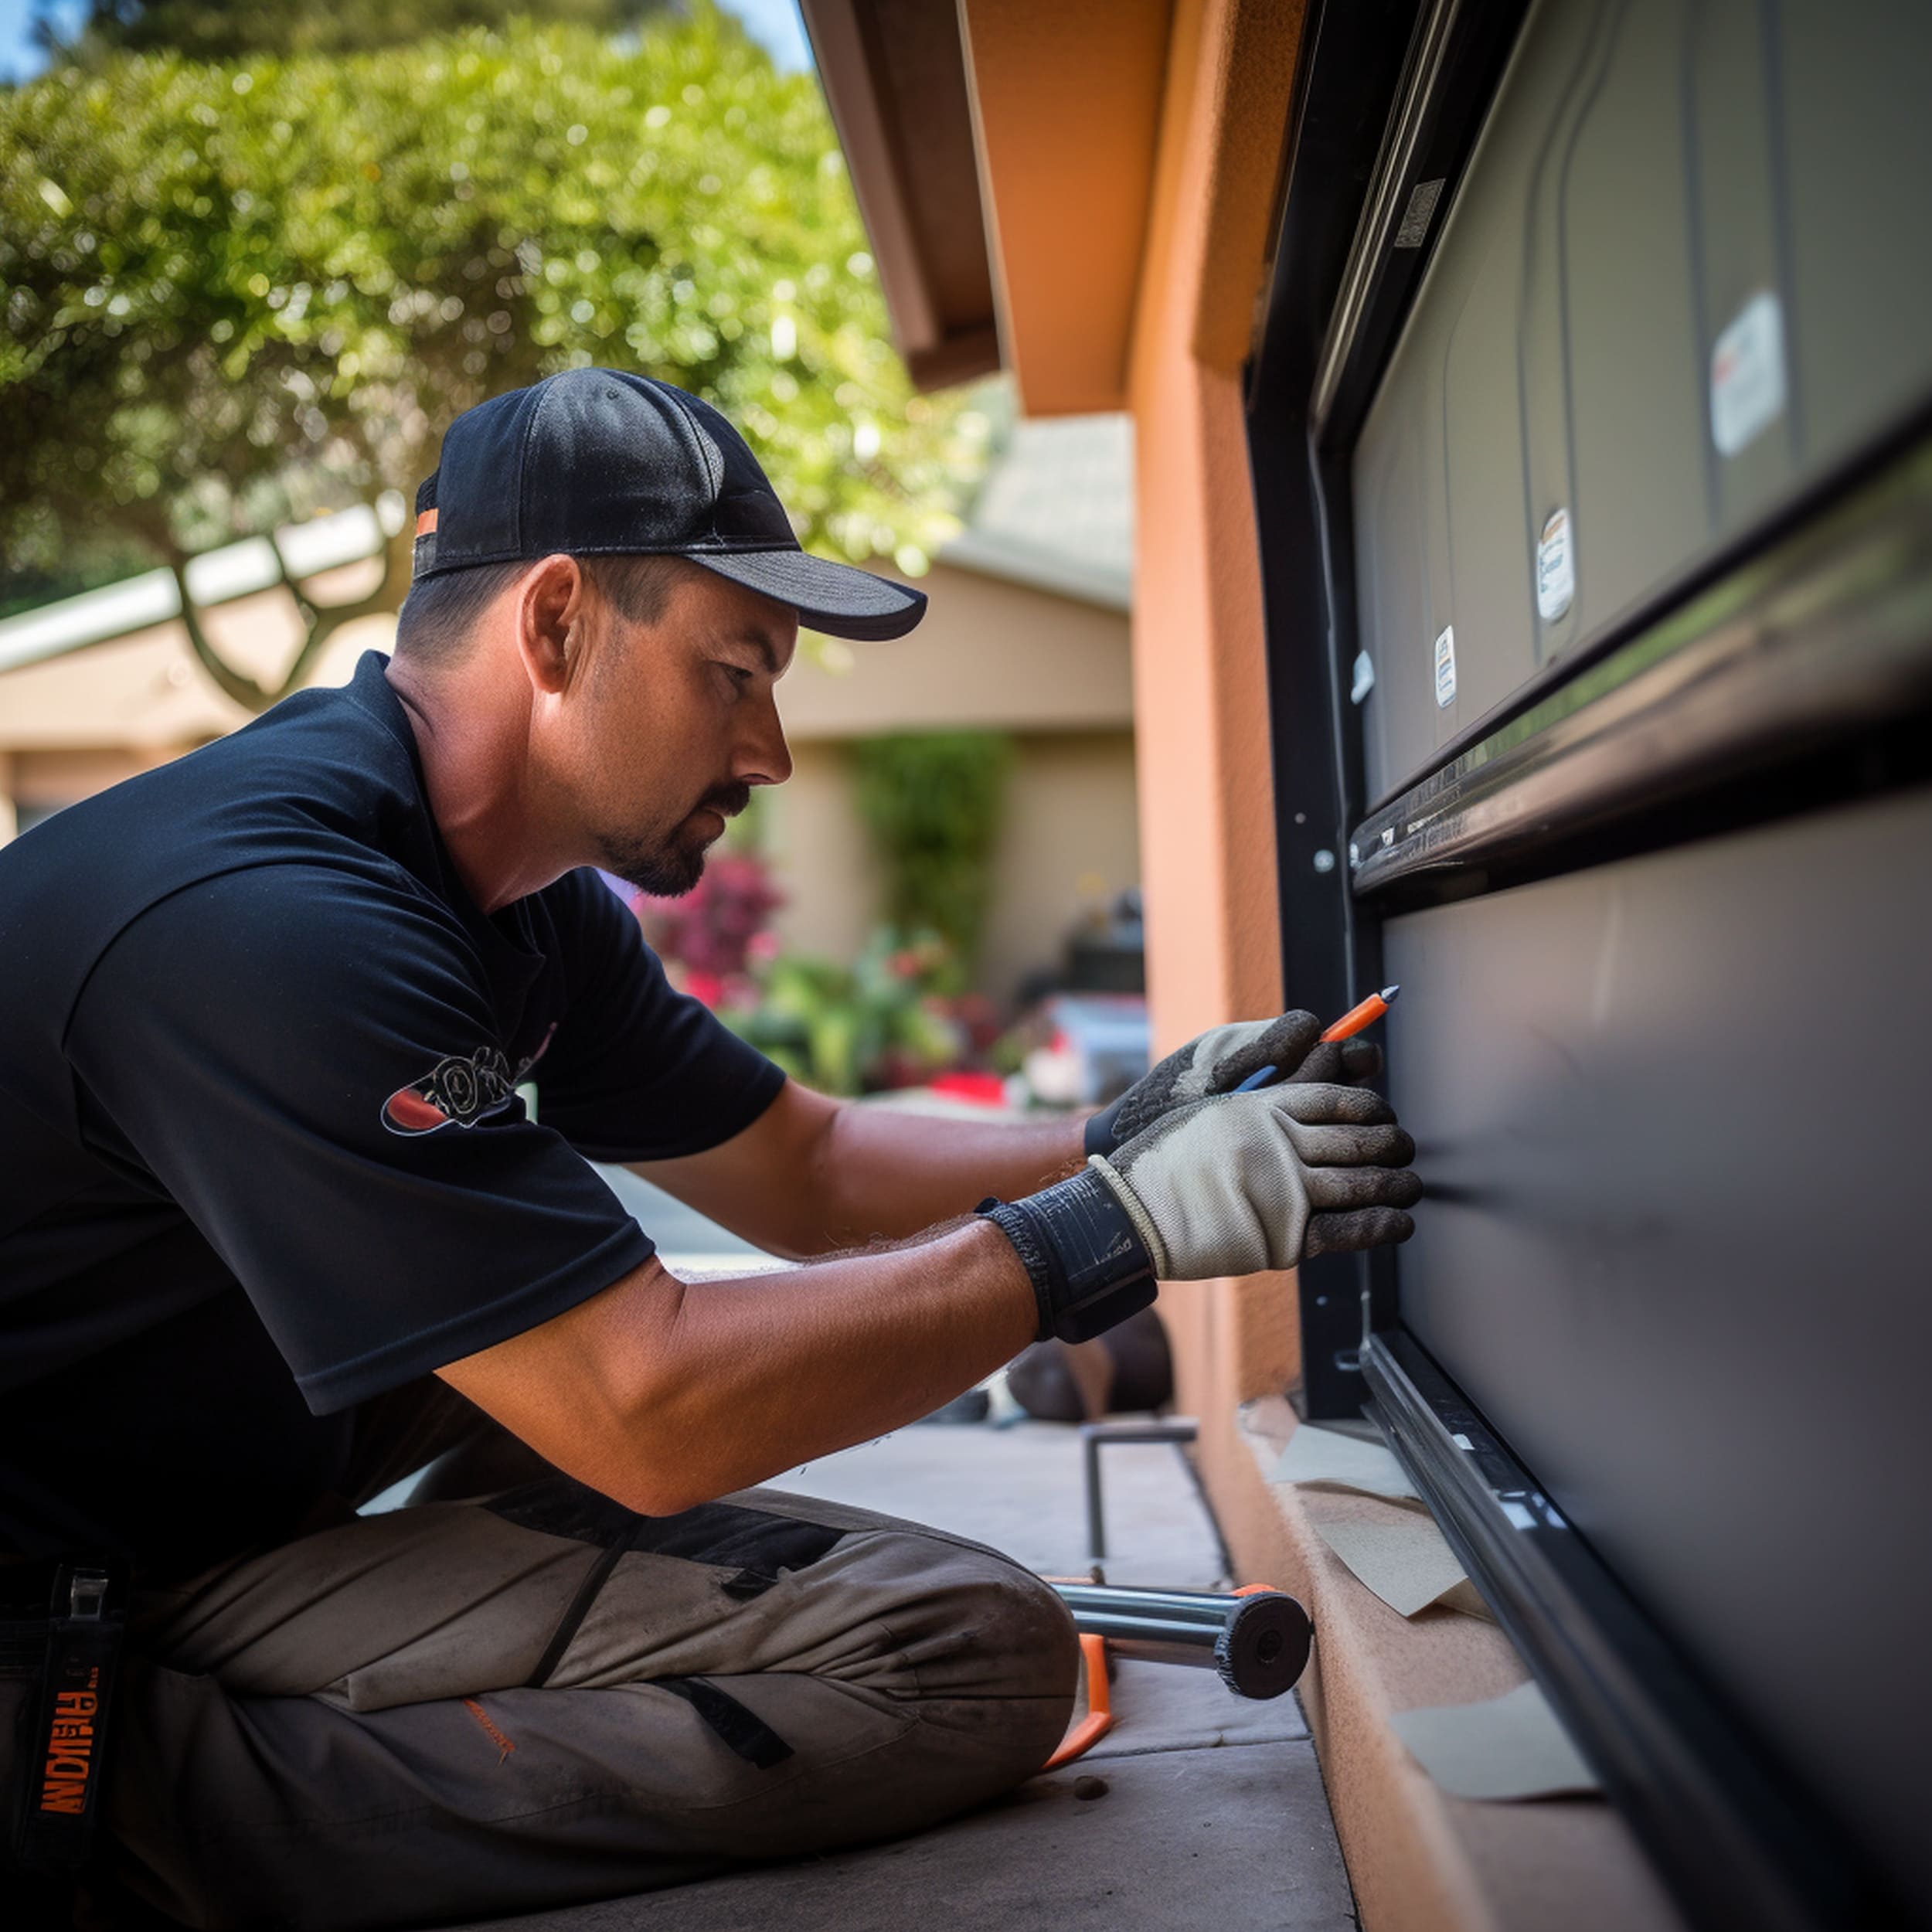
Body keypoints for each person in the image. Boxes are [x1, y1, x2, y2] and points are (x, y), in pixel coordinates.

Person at [0, 369, 1420, 1930]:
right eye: (735, 672)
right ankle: (128, 1808)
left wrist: (1117, 1130)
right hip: (66, 1605)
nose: (771, 751)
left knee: (652, 1334)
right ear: (556, 624)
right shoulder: (267, 922)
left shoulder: (511, 896)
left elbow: (797, 1165)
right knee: (965, 1658)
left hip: (233, 1499)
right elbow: (648, 1407)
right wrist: (1106, 1233)